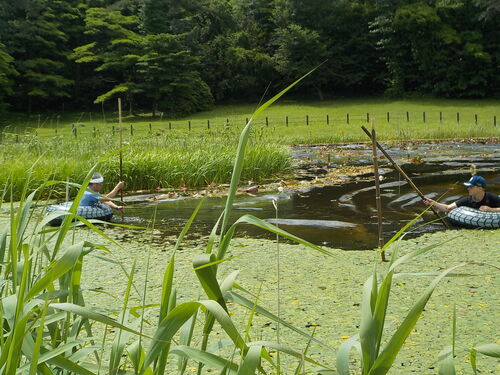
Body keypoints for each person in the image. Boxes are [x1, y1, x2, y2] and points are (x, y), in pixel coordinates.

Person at [423, 175, 500, 213]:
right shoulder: (467, 200)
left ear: (480, 188)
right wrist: (433, 203)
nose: (468, 188)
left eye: (471, 187)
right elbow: (448, 208)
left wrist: (490, 209)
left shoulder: (491, 198)